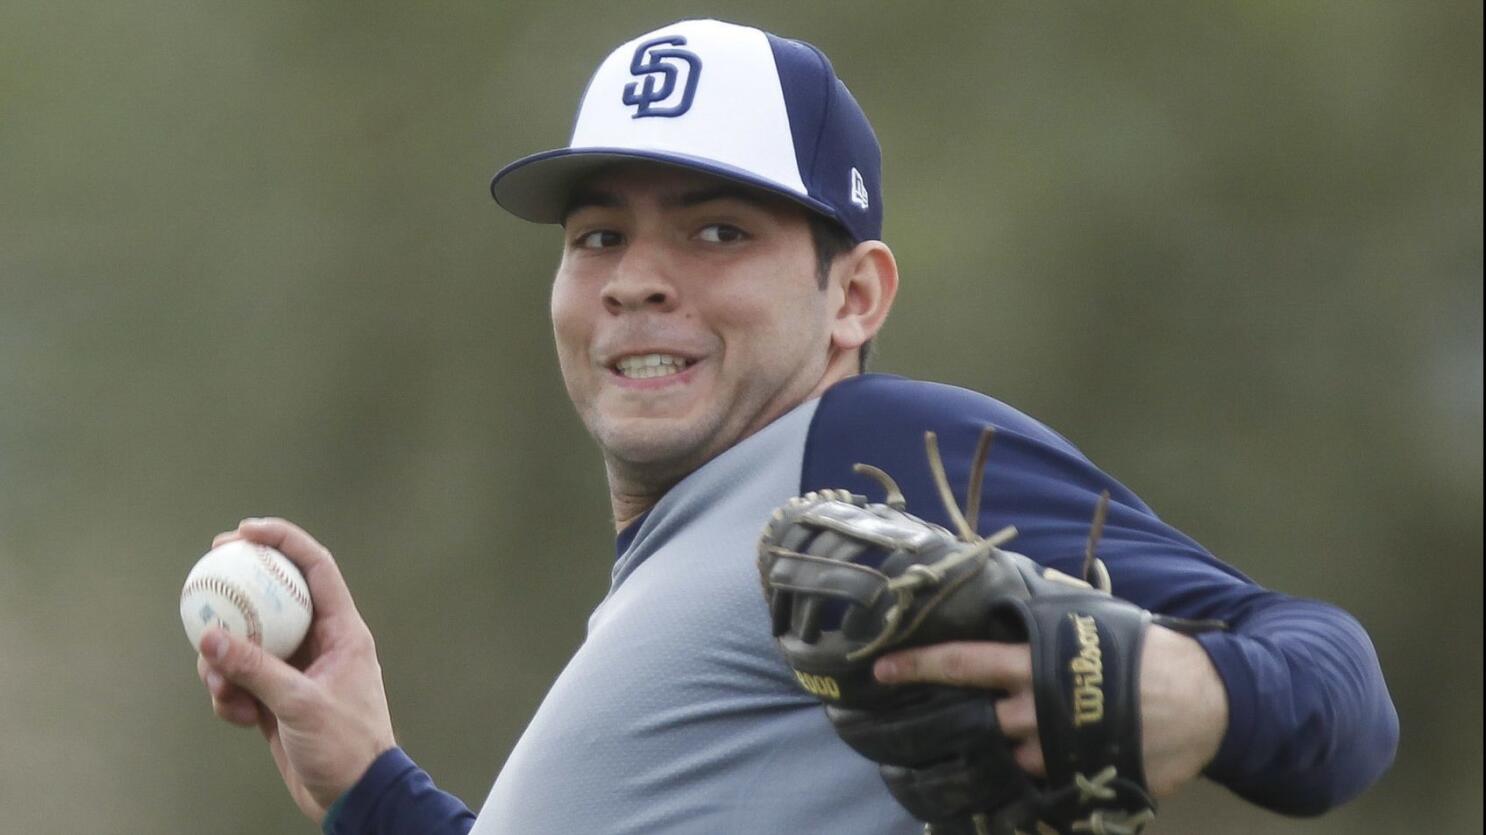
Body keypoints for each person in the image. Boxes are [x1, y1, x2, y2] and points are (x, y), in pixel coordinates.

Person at [193, 18, 1398, 834]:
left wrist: (1205, 689)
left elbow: (1340, 689)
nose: (634, 279)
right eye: (598, 234)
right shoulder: (676, 559)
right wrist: (368, 781)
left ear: (854, 296)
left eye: (717, 230)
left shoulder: (858, 451)